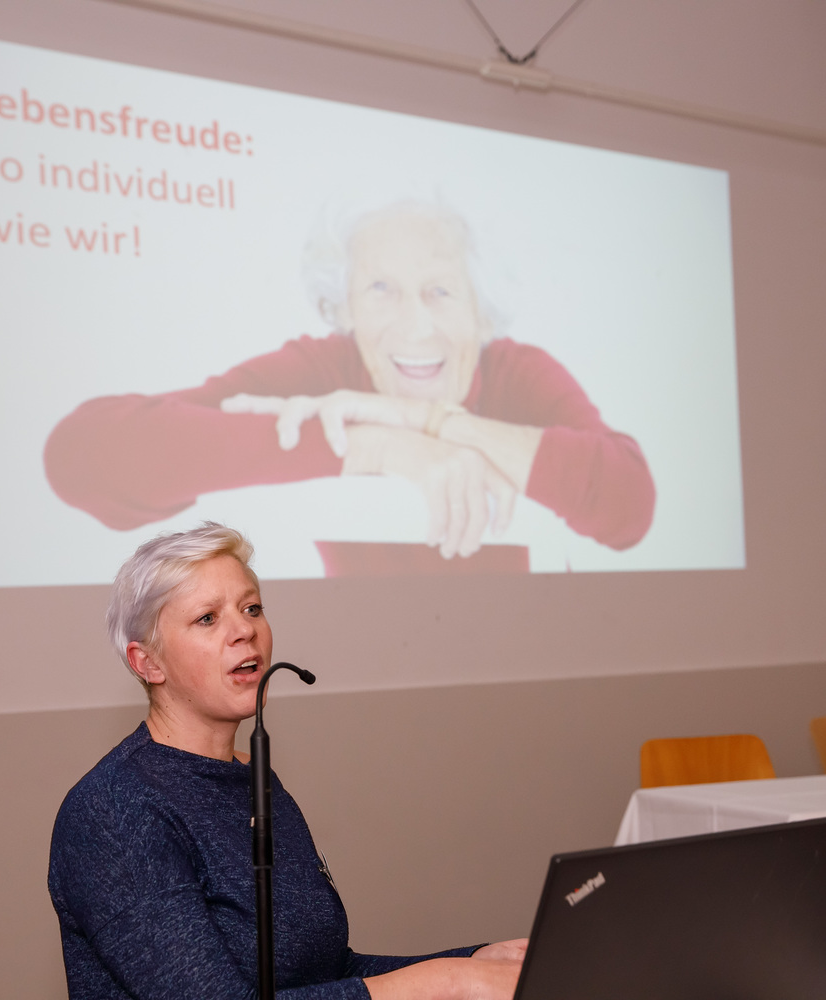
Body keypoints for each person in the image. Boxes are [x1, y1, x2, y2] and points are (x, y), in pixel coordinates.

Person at [48, 522, 527, 999]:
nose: (245, 631)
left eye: (252, 608)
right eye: (208, 618)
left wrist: (475, 961)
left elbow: (326, 975)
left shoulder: (253, 779)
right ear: (147, 663)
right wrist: (452, 983)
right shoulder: (114, 810)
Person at [44, 201, 656, 560]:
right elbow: (83, 456)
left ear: (482, 310)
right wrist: (376, 445)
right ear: (346, 308)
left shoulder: (516, 372)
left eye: (441, 291)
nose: (415, 325)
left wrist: (428, 421)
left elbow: (630, 506)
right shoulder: (323, 369)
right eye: (380, 289)